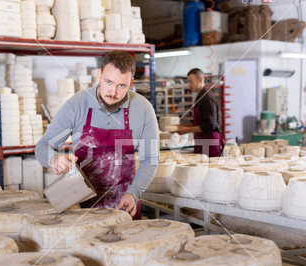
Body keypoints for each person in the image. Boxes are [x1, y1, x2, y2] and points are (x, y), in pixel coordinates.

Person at [35, 51, 159, 219]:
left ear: (130, 84)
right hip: (80, 205)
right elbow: (43, 145)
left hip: (123, 204)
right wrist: (54, 158)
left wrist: (134, 193)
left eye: (121, 86)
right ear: (99, 75)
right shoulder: (77, 105)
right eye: (108, 82)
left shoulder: (143, 109)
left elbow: (149, 160)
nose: (113, 92)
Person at [173, 68, 222, 157]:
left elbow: (209, 125)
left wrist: (187, 130)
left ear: (200, 80)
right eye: (188, 82)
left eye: (191, 81)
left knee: (209, 170)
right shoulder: (200, 97)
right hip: (202, 141)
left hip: (210, 142)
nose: (189, 85)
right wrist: (181, 127)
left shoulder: (207, 98)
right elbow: (197, 121)